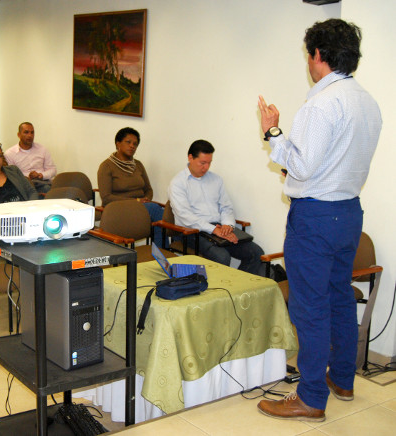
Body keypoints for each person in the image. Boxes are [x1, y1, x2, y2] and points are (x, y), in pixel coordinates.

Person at [256, 19, 382, 421]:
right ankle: (342, 379)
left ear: (318, 56)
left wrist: (273, 131)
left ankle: (310, 398)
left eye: (309, 54)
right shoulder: (367, 101)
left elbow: (305, 167)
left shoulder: (321, 103)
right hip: (348, 214)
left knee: (310, 308)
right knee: (340, 297)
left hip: (314, 218)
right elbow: (335, 162)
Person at [168, 140, 264, 274]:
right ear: (190, 158)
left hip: (218, 228)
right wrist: (214, 230)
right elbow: (185, 216)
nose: (206, 167)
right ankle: (218, 291)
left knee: (256, 253)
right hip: (192, 232)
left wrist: (228, 226)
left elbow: (226, 207)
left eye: (209, 163)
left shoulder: (216, 180)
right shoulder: (178, 183)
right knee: (222, 257)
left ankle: (237, 289)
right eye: (202, 163)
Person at [97, 127, 165, 246]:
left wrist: (146, 199)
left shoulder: (138, 165)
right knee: (155, 210)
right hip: (118, 208)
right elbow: (106, 197)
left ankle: (161, 252)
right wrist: (136, 201)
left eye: (135, 144)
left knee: (162, 210)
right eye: (128, 142)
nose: (132, 146)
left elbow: (148, 189)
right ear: (118, 143)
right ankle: (163, 254)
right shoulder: (106, 166)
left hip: (139, 207)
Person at [4, 122, 56, 194]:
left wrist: (40, 175)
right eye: (26, 132)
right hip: (24, 186)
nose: (30, 135)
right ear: (19, 135)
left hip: (42, 183)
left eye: (32, 133)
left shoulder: (42, 149)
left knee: (50, 190)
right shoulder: (10, 153)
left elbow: (53, 170)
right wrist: (27, 178)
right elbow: (12, 176)